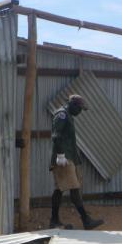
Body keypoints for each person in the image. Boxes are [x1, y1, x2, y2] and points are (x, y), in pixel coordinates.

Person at [49, 94, 104, 230]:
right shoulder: (62, 115)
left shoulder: (68, 116)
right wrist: (61, 155)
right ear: (73, 105)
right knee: (74, 188)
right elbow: (56, 136)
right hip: (63, 159)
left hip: (69, 157)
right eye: (79, 108)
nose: (80, 112)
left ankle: (54, 221)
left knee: (60, 189)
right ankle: (86, 220)